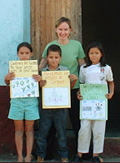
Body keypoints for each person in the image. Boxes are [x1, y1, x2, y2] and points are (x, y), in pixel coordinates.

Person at [38, 17, 86, 151]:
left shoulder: (77, 45)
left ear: (70, 30)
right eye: (60, 29)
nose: (63, 32)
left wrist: (100, 69)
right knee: (51, 124)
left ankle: (82, 152)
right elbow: (42, 65)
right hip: (53, 89)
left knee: (77, 121)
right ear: (56, 30)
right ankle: (47, 153)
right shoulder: (50, 45)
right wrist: (30, 74)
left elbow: (82, 66)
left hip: (73, 88)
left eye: (66, 29)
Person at [36, 44, 78, 162]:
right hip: (46, 108)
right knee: (43, 132)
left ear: (60, 58)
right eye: (51, 57)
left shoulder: (64, 71)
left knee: (62, 133)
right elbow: (39, 88)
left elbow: (68, 88)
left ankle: (64, 156)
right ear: (47, 58)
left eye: (56, 57)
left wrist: (73, 81)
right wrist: (40, 84)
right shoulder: (43, 72)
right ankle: (40, 155)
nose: (53, 60)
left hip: (61, 108)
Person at [76, 41, 114, 162]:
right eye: (91, 53)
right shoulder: (84, 68)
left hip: (100, 103)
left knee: (99, 129)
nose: (94, 55)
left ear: (101, 54)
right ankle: (80, 154)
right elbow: (81, 84)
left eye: (96, 53)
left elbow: (111, 82)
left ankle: (96, 155)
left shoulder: (106, 68)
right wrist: (79, 94)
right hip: (87, 103)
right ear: (88, 54)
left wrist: (111, 92)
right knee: (84, 128)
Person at [4, 42, 42, 162]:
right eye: (22, 53)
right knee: (19, 129)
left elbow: (41, 84)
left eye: (27, 53)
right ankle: (20, 156)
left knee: (29, 130)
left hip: (31, 101)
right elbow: (8, 83)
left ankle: (28, 155)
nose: (24, 55)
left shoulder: (35, 68)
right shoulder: (13, 67)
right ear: (18, 54)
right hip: (17, 101)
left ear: (31, 54)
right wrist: (6, 78)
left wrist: (40, 79)